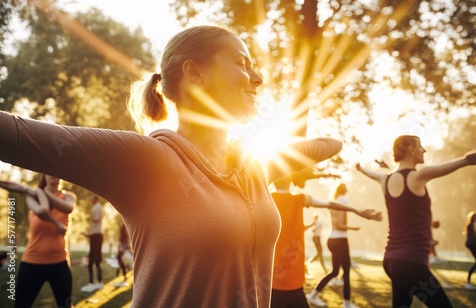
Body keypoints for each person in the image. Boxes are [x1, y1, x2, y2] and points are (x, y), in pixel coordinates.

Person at [0, 25, 345, 307]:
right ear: (194, 72)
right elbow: (16, 134)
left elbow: (322, 146)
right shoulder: (146, 161)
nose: (257, 78)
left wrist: (325, 146)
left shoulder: (251, 166)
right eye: (242, 63)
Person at [356, 135, 476, 307]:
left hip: (391, 260)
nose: (424, 150)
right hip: (411, 263)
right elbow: (469, 159)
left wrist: (362, 169)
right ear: (410, 149)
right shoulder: (419, 176)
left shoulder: (385, 179)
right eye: (420, 146)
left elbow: (372, 174)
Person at [271, 174, 381, 308]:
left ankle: (317, 296)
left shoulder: (268, 199)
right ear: (290, 179)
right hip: (292, 281)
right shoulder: (299, 199)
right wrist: (356, 210)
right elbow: (330, 204)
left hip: (272, 280)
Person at [0, 175, 76, 308]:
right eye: (49, 172)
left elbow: (68, 208)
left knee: (66, 305)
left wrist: (40, 192)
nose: (52, 175)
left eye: (56, 172)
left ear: (61, 177)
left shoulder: (68, 196)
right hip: (31, 262)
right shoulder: (33, 196)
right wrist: (34, 192)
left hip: (59, 262)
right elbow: (41, 211)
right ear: (44, 176)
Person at [307, 183, 368, 308]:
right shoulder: (343, 200)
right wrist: (353, 228)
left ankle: (313, 295)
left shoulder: (333, 201)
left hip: (332, 239)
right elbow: (340, 225)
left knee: (335, 272)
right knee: (346, 272)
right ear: (343, 190)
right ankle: (347, 304)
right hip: (340, 240)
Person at [81, 195, 104, 292]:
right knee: (96, 261)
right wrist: (88, 234)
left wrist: (88, 218)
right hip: (96, 236)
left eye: (91, 199)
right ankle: (99, 283)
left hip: (96, 237)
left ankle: (92, 283)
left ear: (95, 199)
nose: (90, 200)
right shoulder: (97, 207)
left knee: (92, 261)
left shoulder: (97, 207)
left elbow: (97, 220)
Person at [114, 221, 132, 287]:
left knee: (122, 264)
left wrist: (121, 250)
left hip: (122, 252)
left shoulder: (123, 236)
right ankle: (125, 273)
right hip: (122, 252)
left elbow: (123, 245)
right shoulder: (125, 237)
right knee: (122, 264)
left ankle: (125, 274)